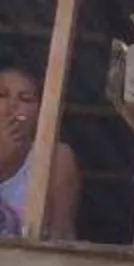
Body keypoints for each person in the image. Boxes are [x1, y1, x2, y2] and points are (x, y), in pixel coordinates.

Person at [0, 64, 79, 243]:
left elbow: (60, 238)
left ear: (39, 112)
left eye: (25, 99)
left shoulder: (56, 158)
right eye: (2, 96)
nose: (12, 106)